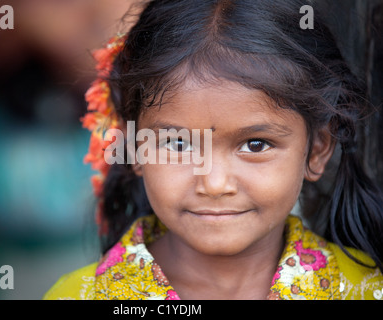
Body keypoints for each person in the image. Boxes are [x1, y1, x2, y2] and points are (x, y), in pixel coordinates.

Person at [44, 0, 383, 300]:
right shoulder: (77, 296)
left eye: (255, 144)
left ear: (317, 150)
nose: (215, 184)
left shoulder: (364, 290)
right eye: (178, 144)